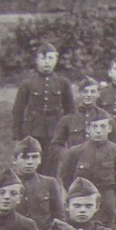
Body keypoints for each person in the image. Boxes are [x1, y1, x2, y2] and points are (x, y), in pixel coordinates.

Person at [56, 111, 116, 226]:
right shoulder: (75, 151)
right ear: (87, 128)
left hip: (106, 200)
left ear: (109, 128)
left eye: (102, 126)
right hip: (81, 199)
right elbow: (65, 177)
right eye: (94, 126)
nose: (98, 130)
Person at [12, 41, 73, 176]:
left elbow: (70, 112)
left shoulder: (63, 83)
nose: (47, 62)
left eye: (50, 58)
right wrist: (17, 137)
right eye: (43, 58)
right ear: (37, 60)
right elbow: (18, 111)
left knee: (51, 165)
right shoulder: (27, 84)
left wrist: (69, 135)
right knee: (31, 164)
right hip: (32, 130)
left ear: (56, 60)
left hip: (55, 130)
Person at [11, 137, 64, 230]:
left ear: (40, 160)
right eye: (24, 157)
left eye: (34, 157)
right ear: (14, 160)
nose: (30, 162)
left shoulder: (50, 183)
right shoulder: (5, 185)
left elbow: (59, 218)